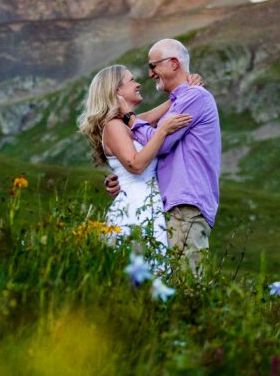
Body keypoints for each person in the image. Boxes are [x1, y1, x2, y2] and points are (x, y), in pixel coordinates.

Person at [105, 39, 221, 275]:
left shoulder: (194, 97)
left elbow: (162, 142)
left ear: (173, 64)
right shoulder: (184, 99)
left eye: (153, 66)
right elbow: (141, 152)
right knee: (170, 276)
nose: (148, 75)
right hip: (162, 205)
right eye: (132, 79)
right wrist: (119, 175)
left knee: (186, 279)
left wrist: (131, 117)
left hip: (185, 202)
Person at [77, 64, 191, 264]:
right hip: (135, 207)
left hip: (149, 204)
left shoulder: (128, 123)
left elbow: (163, 110)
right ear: (116, 91)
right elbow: (136, 165)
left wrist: (187, 88)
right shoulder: (113, 127)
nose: (138, 84)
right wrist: (162, 131)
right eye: (131, 80)